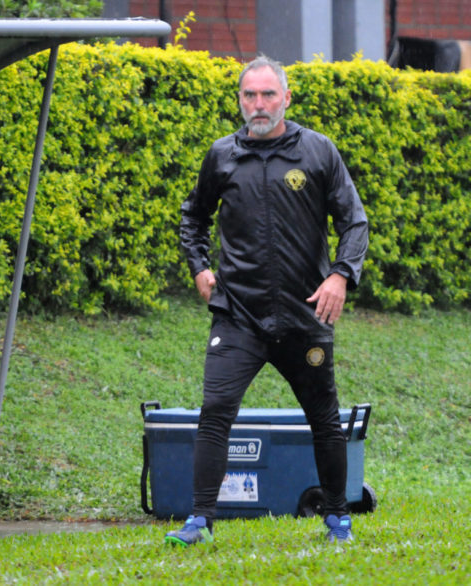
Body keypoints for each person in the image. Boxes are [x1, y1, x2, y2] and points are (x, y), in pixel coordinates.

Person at [165, 56, 369, 546]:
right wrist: (199, 267)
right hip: (238, 313)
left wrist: (341, 275)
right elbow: (191, 217)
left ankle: (338, 518)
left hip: (305, 314)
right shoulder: (221, 155)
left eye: (267, 95)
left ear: (286, 98)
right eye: (249, 96)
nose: (258, 104)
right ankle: (200, 521)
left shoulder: (317, 151)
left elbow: (354, 220)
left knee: (324, 417)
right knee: (215, 409)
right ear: (239, 100)